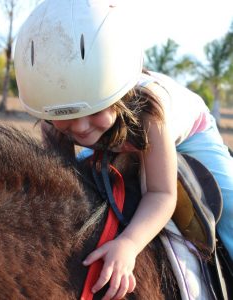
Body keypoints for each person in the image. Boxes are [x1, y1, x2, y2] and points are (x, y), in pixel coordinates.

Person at [14, 0, 233, 299]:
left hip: (190, 134)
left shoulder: (149, 113)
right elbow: (60, 182)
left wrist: (129, 244)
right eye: (65, 118)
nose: (79, 128)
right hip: (116, 138)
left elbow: (162, 194)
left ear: (120, 96)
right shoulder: (55, 111)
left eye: (94, 111)